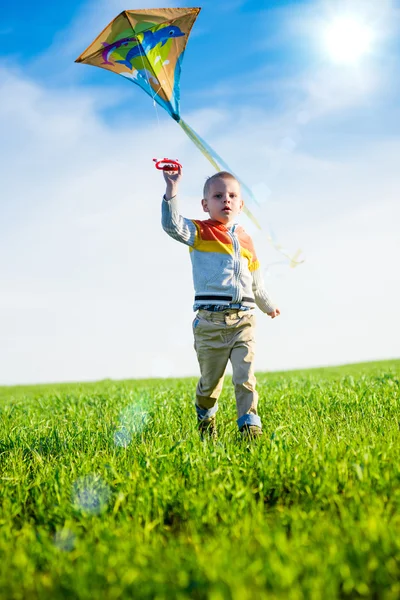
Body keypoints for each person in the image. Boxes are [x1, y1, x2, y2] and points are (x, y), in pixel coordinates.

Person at [161, 165, 280, 440]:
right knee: (210, 385)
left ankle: (250, 427)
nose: (225, 199)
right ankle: (206, 420)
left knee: (245, 377)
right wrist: (172, 190)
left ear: (240, 204)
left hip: (243, 321)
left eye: (232, 195)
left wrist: (267, 305)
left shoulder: (247, 240)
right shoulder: (200, 232)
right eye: (217, 196)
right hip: (210, 324)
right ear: (205, 204)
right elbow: (172, 226)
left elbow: (257, 282)